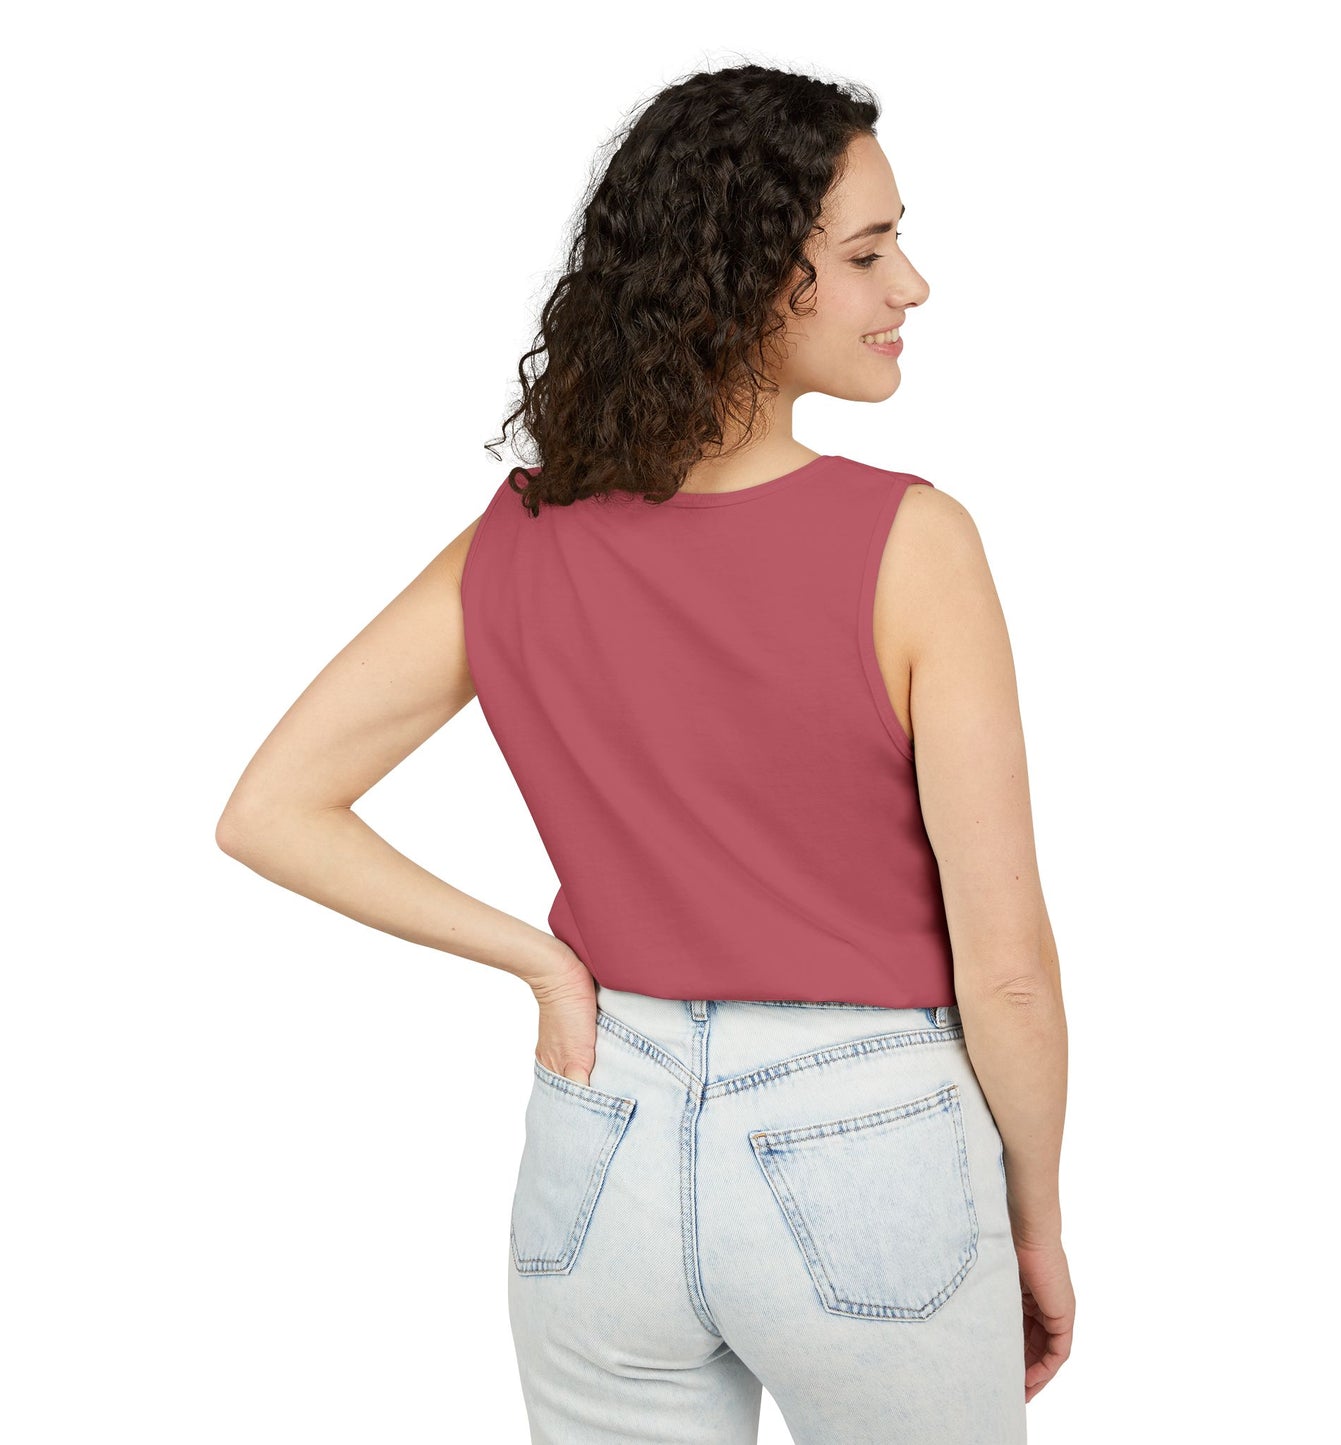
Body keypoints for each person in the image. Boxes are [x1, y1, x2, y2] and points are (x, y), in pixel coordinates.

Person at [217, 62, 1073, 1445]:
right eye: (865, 253)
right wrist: (1029, 1213)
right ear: (743, 279)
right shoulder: (913, 545)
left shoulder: (518, 538)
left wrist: (547, 962)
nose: (907, 285)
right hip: (870, 1145)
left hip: (596, 1136)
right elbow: (1010, 972)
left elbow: (270, 807)